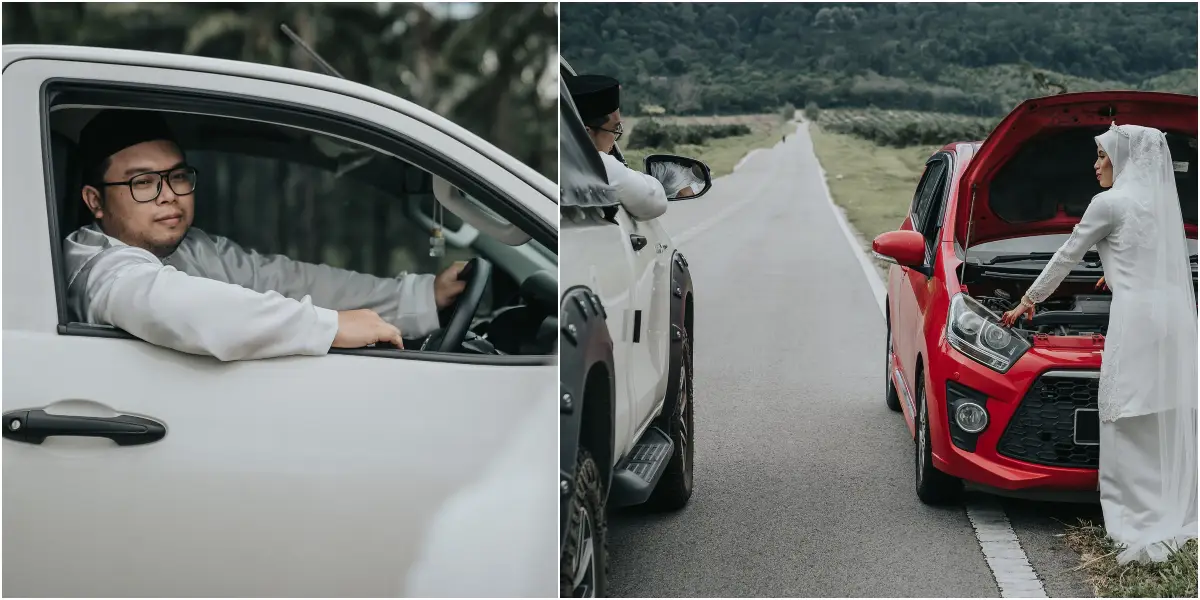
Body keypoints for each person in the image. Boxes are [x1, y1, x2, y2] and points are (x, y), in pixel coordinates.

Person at [64, 109, 468, 361]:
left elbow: (283, 279)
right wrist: (329, 326)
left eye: (178, 176)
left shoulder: (192, 248)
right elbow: (181, 309)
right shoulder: (96, 266)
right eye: (143, 182)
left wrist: (419, 297)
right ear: (95, 202)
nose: (169, 195)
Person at [1001, 123, 1197, 563]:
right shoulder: (1159, 203)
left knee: (1122, 413)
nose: (1095, 165)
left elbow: (1067, 254)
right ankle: (1171, 506)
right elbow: (1154, 255)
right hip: (1175, 319)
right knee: (1159, 408)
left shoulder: (1107, 203)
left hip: (1136, 322)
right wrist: (1117, 267)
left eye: (1103, 156)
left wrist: (1028, 301)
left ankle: (1133, 519)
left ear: (1123, 160)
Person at [565, 74, 670, 219]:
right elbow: (655, 201)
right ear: (586, 134)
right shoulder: (595, 166)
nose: (614, 139)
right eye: (614, 129)